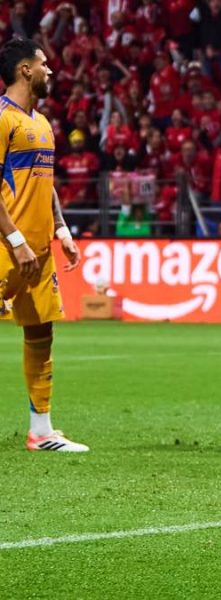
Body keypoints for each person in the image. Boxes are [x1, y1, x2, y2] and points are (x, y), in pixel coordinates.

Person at [0, 38, 87, 452]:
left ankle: (41, 431)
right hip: (7, 246)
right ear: (25, 70)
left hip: (38, 250)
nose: (51, 70)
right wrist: (15, 240)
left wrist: (63, 230)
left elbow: (46, 183)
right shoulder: (3, 119)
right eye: (44, 64)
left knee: (41, 333)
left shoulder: (43, 123)